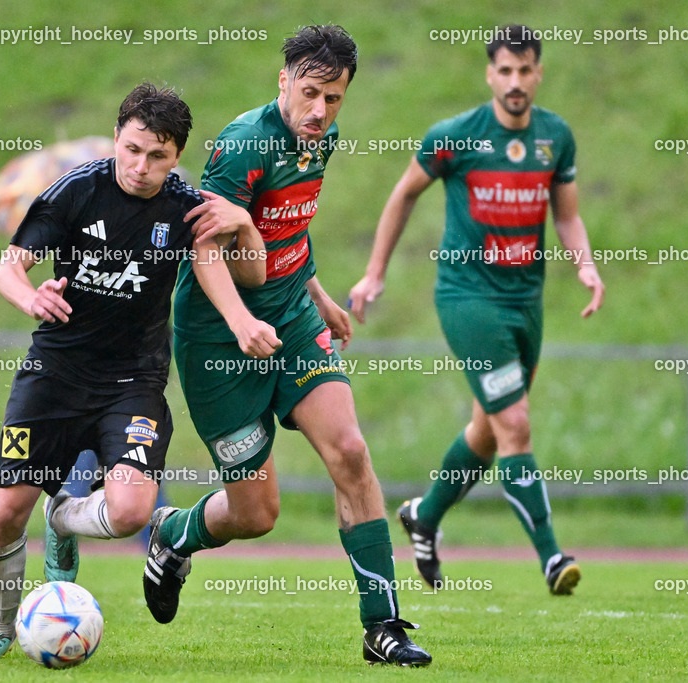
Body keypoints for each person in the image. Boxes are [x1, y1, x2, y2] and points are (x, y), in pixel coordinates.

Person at [141, 25, 432, 667]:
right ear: (282, 82)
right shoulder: (242, 145)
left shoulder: (320, 139)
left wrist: (317, 294)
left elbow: (289, 224)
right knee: (256, 513)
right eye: (309, 94)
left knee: (351, 452)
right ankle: (172, 536)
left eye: (334, 98)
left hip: (294, 322)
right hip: (220, 339)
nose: (321, 111)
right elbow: (205, 246)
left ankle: (381, 626)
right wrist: (242, 321)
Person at [0, 82, 278, 660]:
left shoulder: (185, 207)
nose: (140, 166)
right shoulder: (74, 192)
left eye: (157, 156)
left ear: (177, 154)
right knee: (5, 514)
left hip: (133, 380)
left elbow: (221, 270)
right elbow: (9, 267)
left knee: (132, 511)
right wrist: (31, 298)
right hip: (54, 374)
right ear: (116, 139)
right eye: (132, 149)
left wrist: (239, 322)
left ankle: (63, 517)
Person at [349, 24, 605, 596]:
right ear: (490, 74)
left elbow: (566, 215)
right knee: (515, 423)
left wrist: (585, 265)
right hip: (468, 299)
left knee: (487, 430)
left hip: (526, 303)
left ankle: (425, 515)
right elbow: (404, 193)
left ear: (538, 73)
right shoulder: (455, 136)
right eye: (505, 71)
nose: (515, 82)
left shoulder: (554, 138)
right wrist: (374, 273)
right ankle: (551, 557)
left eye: (525, 70)